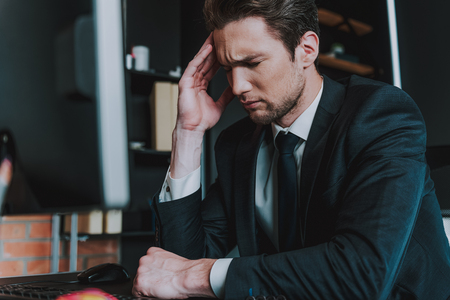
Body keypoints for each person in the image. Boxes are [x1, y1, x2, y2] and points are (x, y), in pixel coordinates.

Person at [132, 0, 450, 299]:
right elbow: (176, 268)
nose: (238, 85)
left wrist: (199, 275)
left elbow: (362, 274)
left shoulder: (381, 116)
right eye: (228, 67)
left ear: (306, 50)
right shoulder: (237, 145)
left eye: (252, 62)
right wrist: (187, 132)